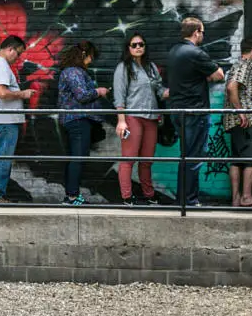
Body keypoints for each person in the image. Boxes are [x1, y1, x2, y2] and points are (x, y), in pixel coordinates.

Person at [166, 16, 225, 207]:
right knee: (194, 157)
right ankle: (189, 200)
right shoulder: (196, 53)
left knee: (185, 155)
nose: (203, 36)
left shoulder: (174, 51)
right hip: (195, 112)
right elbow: (219, 75)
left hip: (177, 110)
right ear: (196, 32)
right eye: (202, 32)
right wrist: (207, 76)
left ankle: (182, 199)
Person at [112, 33, 169, 205]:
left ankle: (149, 194)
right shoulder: (123, 68)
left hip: (151, 118)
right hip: (132, 118)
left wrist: (177, 89)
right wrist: (121, 121)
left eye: (141, 44)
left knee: (147, 160)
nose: (138, 47)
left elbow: (159, 91)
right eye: (134, 45)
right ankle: (127, 196)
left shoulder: (150, 67)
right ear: (128, 48)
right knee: (128, 158)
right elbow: (119, 96)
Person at [57, 40, 109, 206]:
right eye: (91, 57)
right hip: (77, 120)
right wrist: (98, 91)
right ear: (83, 55)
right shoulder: (73, 72)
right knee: (78, 157)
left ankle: (71, 195)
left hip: (77, 120)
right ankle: (72, 197)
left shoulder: (72, 71)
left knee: (77, 157)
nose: (91, 60)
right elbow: (82, 95)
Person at [0, 35, 34, 203]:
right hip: (5, 121)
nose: (18, 57)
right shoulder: (1, 66)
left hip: (5, 120)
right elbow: (3, 93)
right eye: (18, 53)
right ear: (10, 49)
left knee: (3, 158)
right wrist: (23, 94)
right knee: (3, 158)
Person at [224, 37, 252, 207]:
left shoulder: (236, 65)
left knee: (237, 159)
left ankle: (236, 199)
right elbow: (232, 86)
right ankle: (247, 197)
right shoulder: (246, 65)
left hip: (235, 122)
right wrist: (242, 112)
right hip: (246, 121)